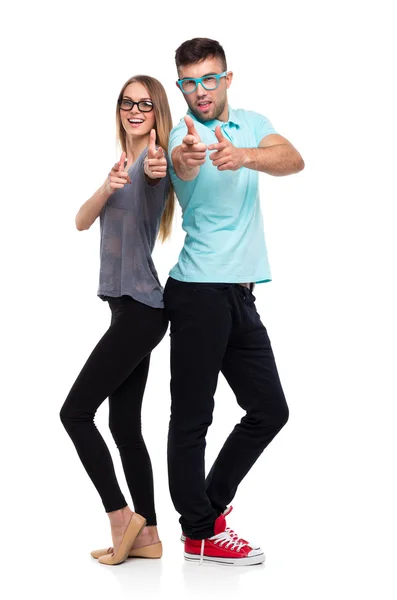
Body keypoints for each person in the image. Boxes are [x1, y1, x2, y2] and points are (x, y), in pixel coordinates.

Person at [164, 38, 305, 566]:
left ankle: (211, 506)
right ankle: (198, 532)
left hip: (242, 294)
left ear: (227, 78)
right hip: (198, 293)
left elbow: (293, 159)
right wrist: (190, 155)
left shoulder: (250, 122)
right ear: (180, 86)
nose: (200, 91)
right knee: (193, 416)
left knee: (270, 409)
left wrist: (244, 155)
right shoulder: (181, 136)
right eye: (189, 82)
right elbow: (180, 160)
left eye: (209, 78)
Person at [60, 75, 174, 566]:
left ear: (156, 112)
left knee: (74, 413)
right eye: (127, 102)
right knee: (124, 425)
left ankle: (121, 518)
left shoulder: (153, 161)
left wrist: (152, 164)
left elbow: (157, 173)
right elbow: (81, 220)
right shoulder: (120, 166)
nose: (134, 109)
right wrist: (107, 186)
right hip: (129, 310)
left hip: (143, 310)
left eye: (144, 103)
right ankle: (147, 537)